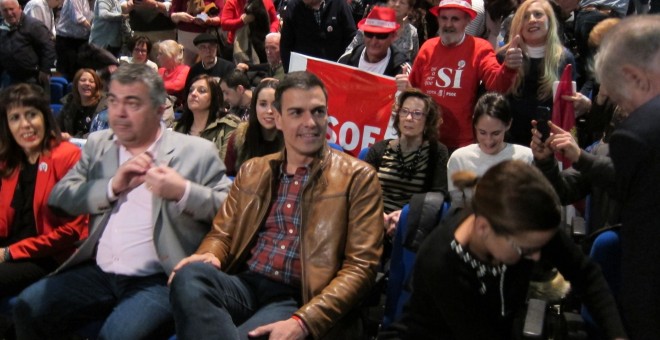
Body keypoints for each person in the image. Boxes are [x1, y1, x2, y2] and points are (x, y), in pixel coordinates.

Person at [12, 63, 232, 339]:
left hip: (159, 279)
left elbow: (229, 210)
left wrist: (183, 191)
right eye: (114, 101)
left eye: (132, 103)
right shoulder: (99, 143)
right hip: (98, 270)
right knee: (26, 307)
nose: (119, 112)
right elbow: (62, 197)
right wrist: (111, 187)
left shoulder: (197, 152)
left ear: (158, 109)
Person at [168, 71, 384, 339]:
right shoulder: (253, 170)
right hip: (245, 284)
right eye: (296, 113)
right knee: (189, 275)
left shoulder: (358, 177)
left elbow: (361, 267)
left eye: (318, 111)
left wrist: (304, 321)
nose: (311, 122)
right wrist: (212, 253)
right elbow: (222, 234)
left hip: (299, 296)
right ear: (278, 119)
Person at [381, 160, 627, 339]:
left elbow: (586, 274)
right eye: (526, 249)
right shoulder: (442, 262)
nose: (537, 256)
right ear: (484, 228)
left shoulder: (528, 223)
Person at [592, 15, 660, 338]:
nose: (625, 112)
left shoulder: (639, 136)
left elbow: (646, 251)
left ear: (636, 78)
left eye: (621, 101)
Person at [395, 0, 523, 152]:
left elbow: (497, 86)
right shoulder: (428, 47)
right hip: (424, 138)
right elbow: (414, 93)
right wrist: (406, 87)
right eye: (444, 18)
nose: (448, 24)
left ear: (467, 21)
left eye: (455, 19)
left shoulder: (480, 48)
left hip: (460, 144)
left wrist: (509, 67)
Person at [0, 84, 87, 299]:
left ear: (45, 118)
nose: (25, 125)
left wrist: (9, 253)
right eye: (15, 118)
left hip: (50, 255)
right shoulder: (8, 160)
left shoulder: (67, 156)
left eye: (31, 115)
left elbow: (71, 232)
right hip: (10, 247)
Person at [497, 0, 584, 146]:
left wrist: (583, 104)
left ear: (550, 21)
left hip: (549, 143)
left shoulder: (564, 59)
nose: (532, 20)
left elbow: (568, 106)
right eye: (525, 16)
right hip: (510, 142)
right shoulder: (504, 56)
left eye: (538, 14)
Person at [364, 88, 448, 236]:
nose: (409, 118)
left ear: (428, 120)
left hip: (412, 226)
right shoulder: (379, 149)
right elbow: (361, 190)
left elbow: (437, 196)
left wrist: (403, 216)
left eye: (417, 113)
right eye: (405, 111)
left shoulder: (437, 152)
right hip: (373, 222)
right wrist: (380, 217)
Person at [447, 92, 533, 206]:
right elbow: (457, 206)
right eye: (482, 133)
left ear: (508, 124)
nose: (488, 140)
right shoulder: (459, 158)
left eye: (495, 133)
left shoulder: (526, 156)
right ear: (475, 125)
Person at [224, 78, 283, 176]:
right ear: (254, 106)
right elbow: (227, 177)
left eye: (275, 105)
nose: (269, 111)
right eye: (263, 104)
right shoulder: (239, 138)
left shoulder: (292, 140)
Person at [174, 74, 240, 159]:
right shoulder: (178, 127)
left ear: (214, 97)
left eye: (202, 91)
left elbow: (223, 165)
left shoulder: (227, 126)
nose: (193, 94)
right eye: (191, 90)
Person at [280, 0, 357, 72]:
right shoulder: (293, 8)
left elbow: (351, 38)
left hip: (335, 71)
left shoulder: (338, 4)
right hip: (305, 73)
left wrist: (346, 67)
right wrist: (290, 74)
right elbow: (285, 46)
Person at [338, 6, 411, 77]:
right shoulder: (346, 61)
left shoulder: (402, 70)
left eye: (381, 35)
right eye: (369, 34)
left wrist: (406, 88)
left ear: (393, 36)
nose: (374, 41)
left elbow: (413, 88)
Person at [0, 0, 55, 88]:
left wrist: (45, 70)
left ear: (20, 8)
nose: (9, 13)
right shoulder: (1, 27)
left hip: (32, 78)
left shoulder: (34, 26)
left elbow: (49, 48)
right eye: (5, 10)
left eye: (11, 9)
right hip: (8, 77)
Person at [344, 0, 420, 61]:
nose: (397, 5)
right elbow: (349, 52)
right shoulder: (370, 25)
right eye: (393, 0)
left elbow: (413, 62)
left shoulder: (412, 33)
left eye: (402, 2)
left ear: (409, 9)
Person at [169, 0, 224, 65]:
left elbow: (222, 16)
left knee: (208, 66)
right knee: (186, 68)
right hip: (185, 38)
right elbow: (172, 14)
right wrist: (179, 16)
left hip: (207, 37)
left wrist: (210, 20)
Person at [57, 69, 108, 138]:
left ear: (96, 85)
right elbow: (57, 127)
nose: (87, 83)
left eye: (91, 81)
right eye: (83, 80)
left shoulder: (105, 107)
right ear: (76, 84)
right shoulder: (69, 103)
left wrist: (74, 139)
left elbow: (101, 133)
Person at [55, 0, 94, 79]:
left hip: (81, 41)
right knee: (71, 75)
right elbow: (78, 18)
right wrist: (94, 29)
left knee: (80, 74)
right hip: (68, 41)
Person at [157, 39, 191, 106]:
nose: (157, 57)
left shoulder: (185, 69)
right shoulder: (161, 71)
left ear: (170, 55)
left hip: (176, 108)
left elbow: (176, 86)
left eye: (160, 54)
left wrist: (155, 85)